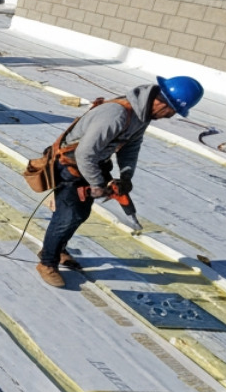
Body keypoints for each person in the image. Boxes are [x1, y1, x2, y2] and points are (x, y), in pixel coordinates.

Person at [35, 76, 204, 287]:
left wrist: (126, 176)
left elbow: (131, 147)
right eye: (171, 111)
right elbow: (84, 154)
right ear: (161, 101)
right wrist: (97, 184)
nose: (170, 116)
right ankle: (47, 263)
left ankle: (56, 249)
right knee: (68, 215)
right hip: (70, 163)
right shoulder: (115, 114)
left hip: (92, 162)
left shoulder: (142, 116)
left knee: (79, 214)